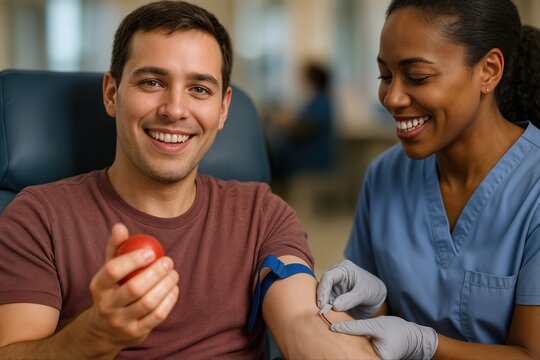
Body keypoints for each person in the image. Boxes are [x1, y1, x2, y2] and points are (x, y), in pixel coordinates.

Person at [0, 1, 379, 359]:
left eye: (199, 89)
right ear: (112, 93)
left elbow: (301, 318)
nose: (175, 110)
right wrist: (94, 335)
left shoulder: (261, 213)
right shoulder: (39, 216)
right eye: (151, 82)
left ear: (223, 108)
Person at [317, 0, 540, 359]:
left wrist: (427, 345)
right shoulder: (385, 175)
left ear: (488, 70)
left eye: (418, 77)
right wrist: (372, 305)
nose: (392, 98)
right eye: (385, 76)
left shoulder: (534, 189)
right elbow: (377, 329)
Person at [267, 61, 335, 181]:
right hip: (304, 155)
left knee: (272, 163)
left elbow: (306, 128)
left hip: (312, 159)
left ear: (313, 79)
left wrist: (285, 125)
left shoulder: (322, 102)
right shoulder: (315, 101)